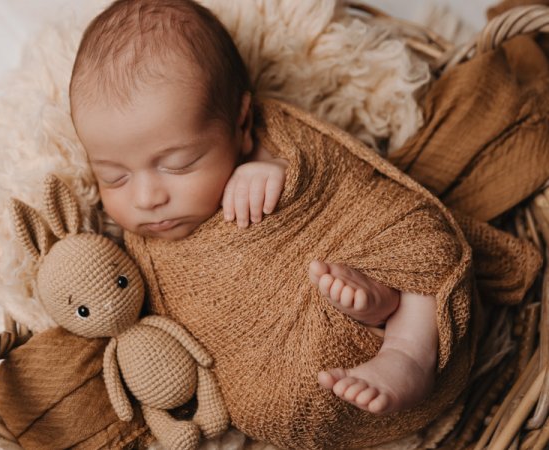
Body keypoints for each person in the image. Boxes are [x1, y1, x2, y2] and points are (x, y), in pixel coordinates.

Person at [68, 0, 439, 416]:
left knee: (422, 247)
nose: (146, 198)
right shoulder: (137, 243)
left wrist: (277, 165)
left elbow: (351, 190)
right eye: (113, 176)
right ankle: (371, 312)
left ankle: (407, 350)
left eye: (178, 164)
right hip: (278, 386)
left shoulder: (270, 145)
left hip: (358, 288)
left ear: (242, 125)